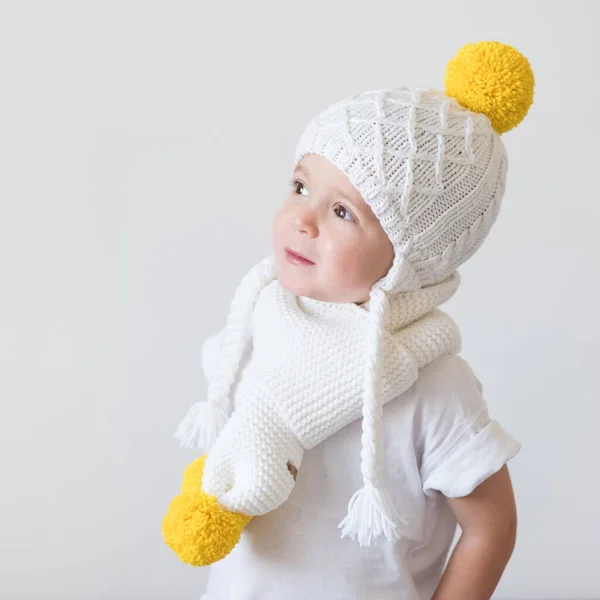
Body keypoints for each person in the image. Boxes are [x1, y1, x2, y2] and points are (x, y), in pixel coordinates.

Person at [166, 40, 535, 600]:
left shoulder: (432, 385)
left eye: (343, 212)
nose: (303, 219)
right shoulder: (256, 326)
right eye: (300, 186)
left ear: (411, 259)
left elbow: (492, 527)